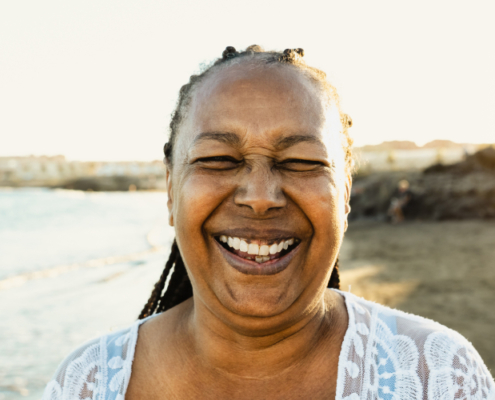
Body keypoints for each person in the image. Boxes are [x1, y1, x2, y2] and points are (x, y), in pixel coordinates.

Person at [42, 46, 494, 400]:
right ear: (170, 189)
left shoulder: (438, 376)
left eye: (300, 162)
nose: (260, 198)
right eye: (219, 159)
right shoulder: (88, 383)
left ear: (346, 192)